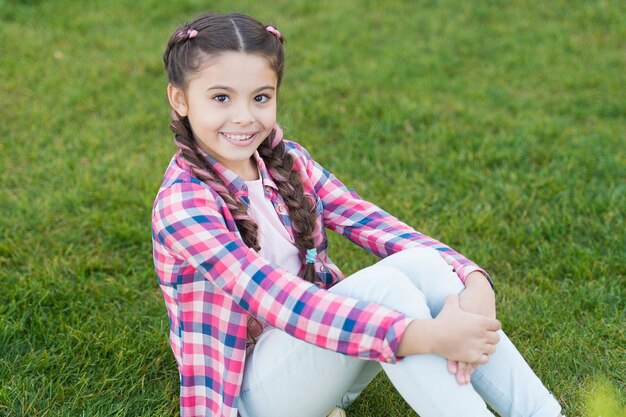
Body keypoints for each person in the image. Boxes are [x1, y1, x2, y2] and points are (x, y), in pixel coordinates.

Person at [152, 11, 564, 417]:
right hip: (246, 395)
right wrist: (422, 335)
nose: (244, 116)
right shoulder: (184, 205)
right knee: (388, 290)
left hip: (328, 360)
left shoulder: (285, 161)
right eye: (221, 97)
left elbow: (372, 222)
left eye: (261, 97)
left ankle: (544, 412)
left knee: (421, 263)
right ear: (180, 99)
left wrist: (474, 281)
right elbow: (279, 301)